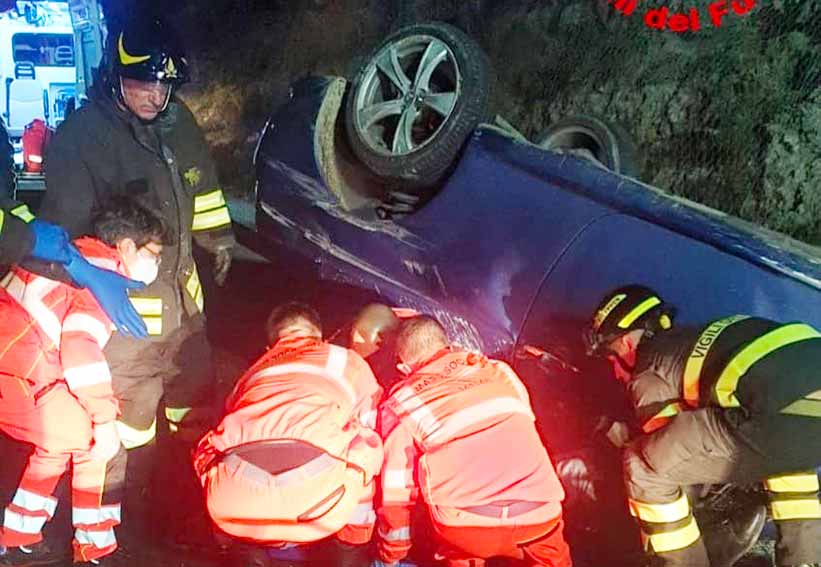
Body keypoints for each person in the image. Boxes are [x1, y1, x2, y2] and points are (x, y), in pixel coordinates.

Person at [39, 16, 234, 457]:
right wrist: (88, 287)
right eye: (145, 83)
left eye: (165, 86)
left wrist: (218, 238)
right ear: (115, 75)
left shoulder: (177, 120)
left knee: (195, 407)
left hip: (186, 314)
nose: (157, 96)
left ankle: (189, 492)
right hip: (126, 325)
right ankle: (129, 510)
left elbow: (201, 185)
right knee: (126, 434)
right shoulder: (83, 138)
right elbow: (64, 236)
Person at [583, 285, 821, 567]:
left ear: (626, 344)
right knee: (785, 463)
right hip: (803, 408)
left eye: (611, 357)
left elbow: (666, 450)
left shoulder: (650, 369)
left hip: (775, 418)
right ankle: (805, 561)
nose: (613, 369)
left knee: (644, 468)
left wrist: (614, 433)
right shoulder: (703, 336)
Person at [0, 195, 168, 566]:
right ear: (126, 246)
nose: (157, 263)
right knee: (93, 439)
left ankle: (18, 538)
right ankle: (94, 549)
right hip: (21, 370)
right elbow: (79, 347)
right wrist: (105, 419)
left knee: (60, 443)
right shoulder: (100, 277)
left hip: (18, 366)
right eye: (154, 254)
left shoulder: (81, 257)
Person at [193, 302, 383, 565]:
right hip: (323, 507)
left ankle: (242, 550)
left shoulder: (251, 374)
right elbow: (369, 425)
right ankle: (350, 551)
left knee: (211, 454)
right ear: (319, 335)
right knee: (366, 446)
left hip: (235, 510)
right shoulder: (346, 360)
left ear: (271, 346)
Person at [375, 315, 571, 567]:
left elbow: (397, 488)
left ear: (403, 368)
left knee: (460, 554)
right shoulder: (500, 371)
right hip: (538, 515)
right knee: (553, 556)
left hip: (465, 527)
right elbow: (525, 420)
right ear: (448, 344)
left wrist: (393, 552)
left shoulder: (401, 403)